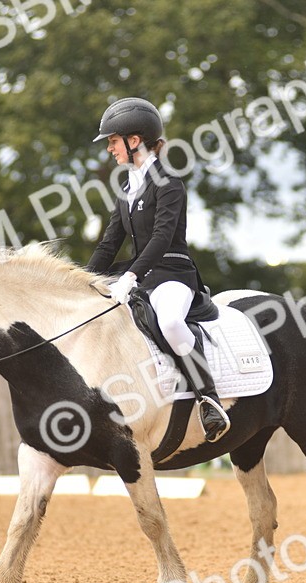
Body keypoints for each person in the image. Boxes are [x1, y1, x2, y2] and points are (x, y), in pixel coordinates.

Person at [85, 97, 231, 443]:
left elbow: (163, 238)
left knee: (169, 321)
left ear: (134, 141)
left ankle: (208, 397)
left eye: (113, 141)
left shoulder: (170, 184)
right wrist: (82, 281)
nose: (109, 149)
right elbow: (109, 244)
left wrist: (130, 277)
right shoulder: (126, 189)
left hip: (173, 274)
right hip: (141, 276)